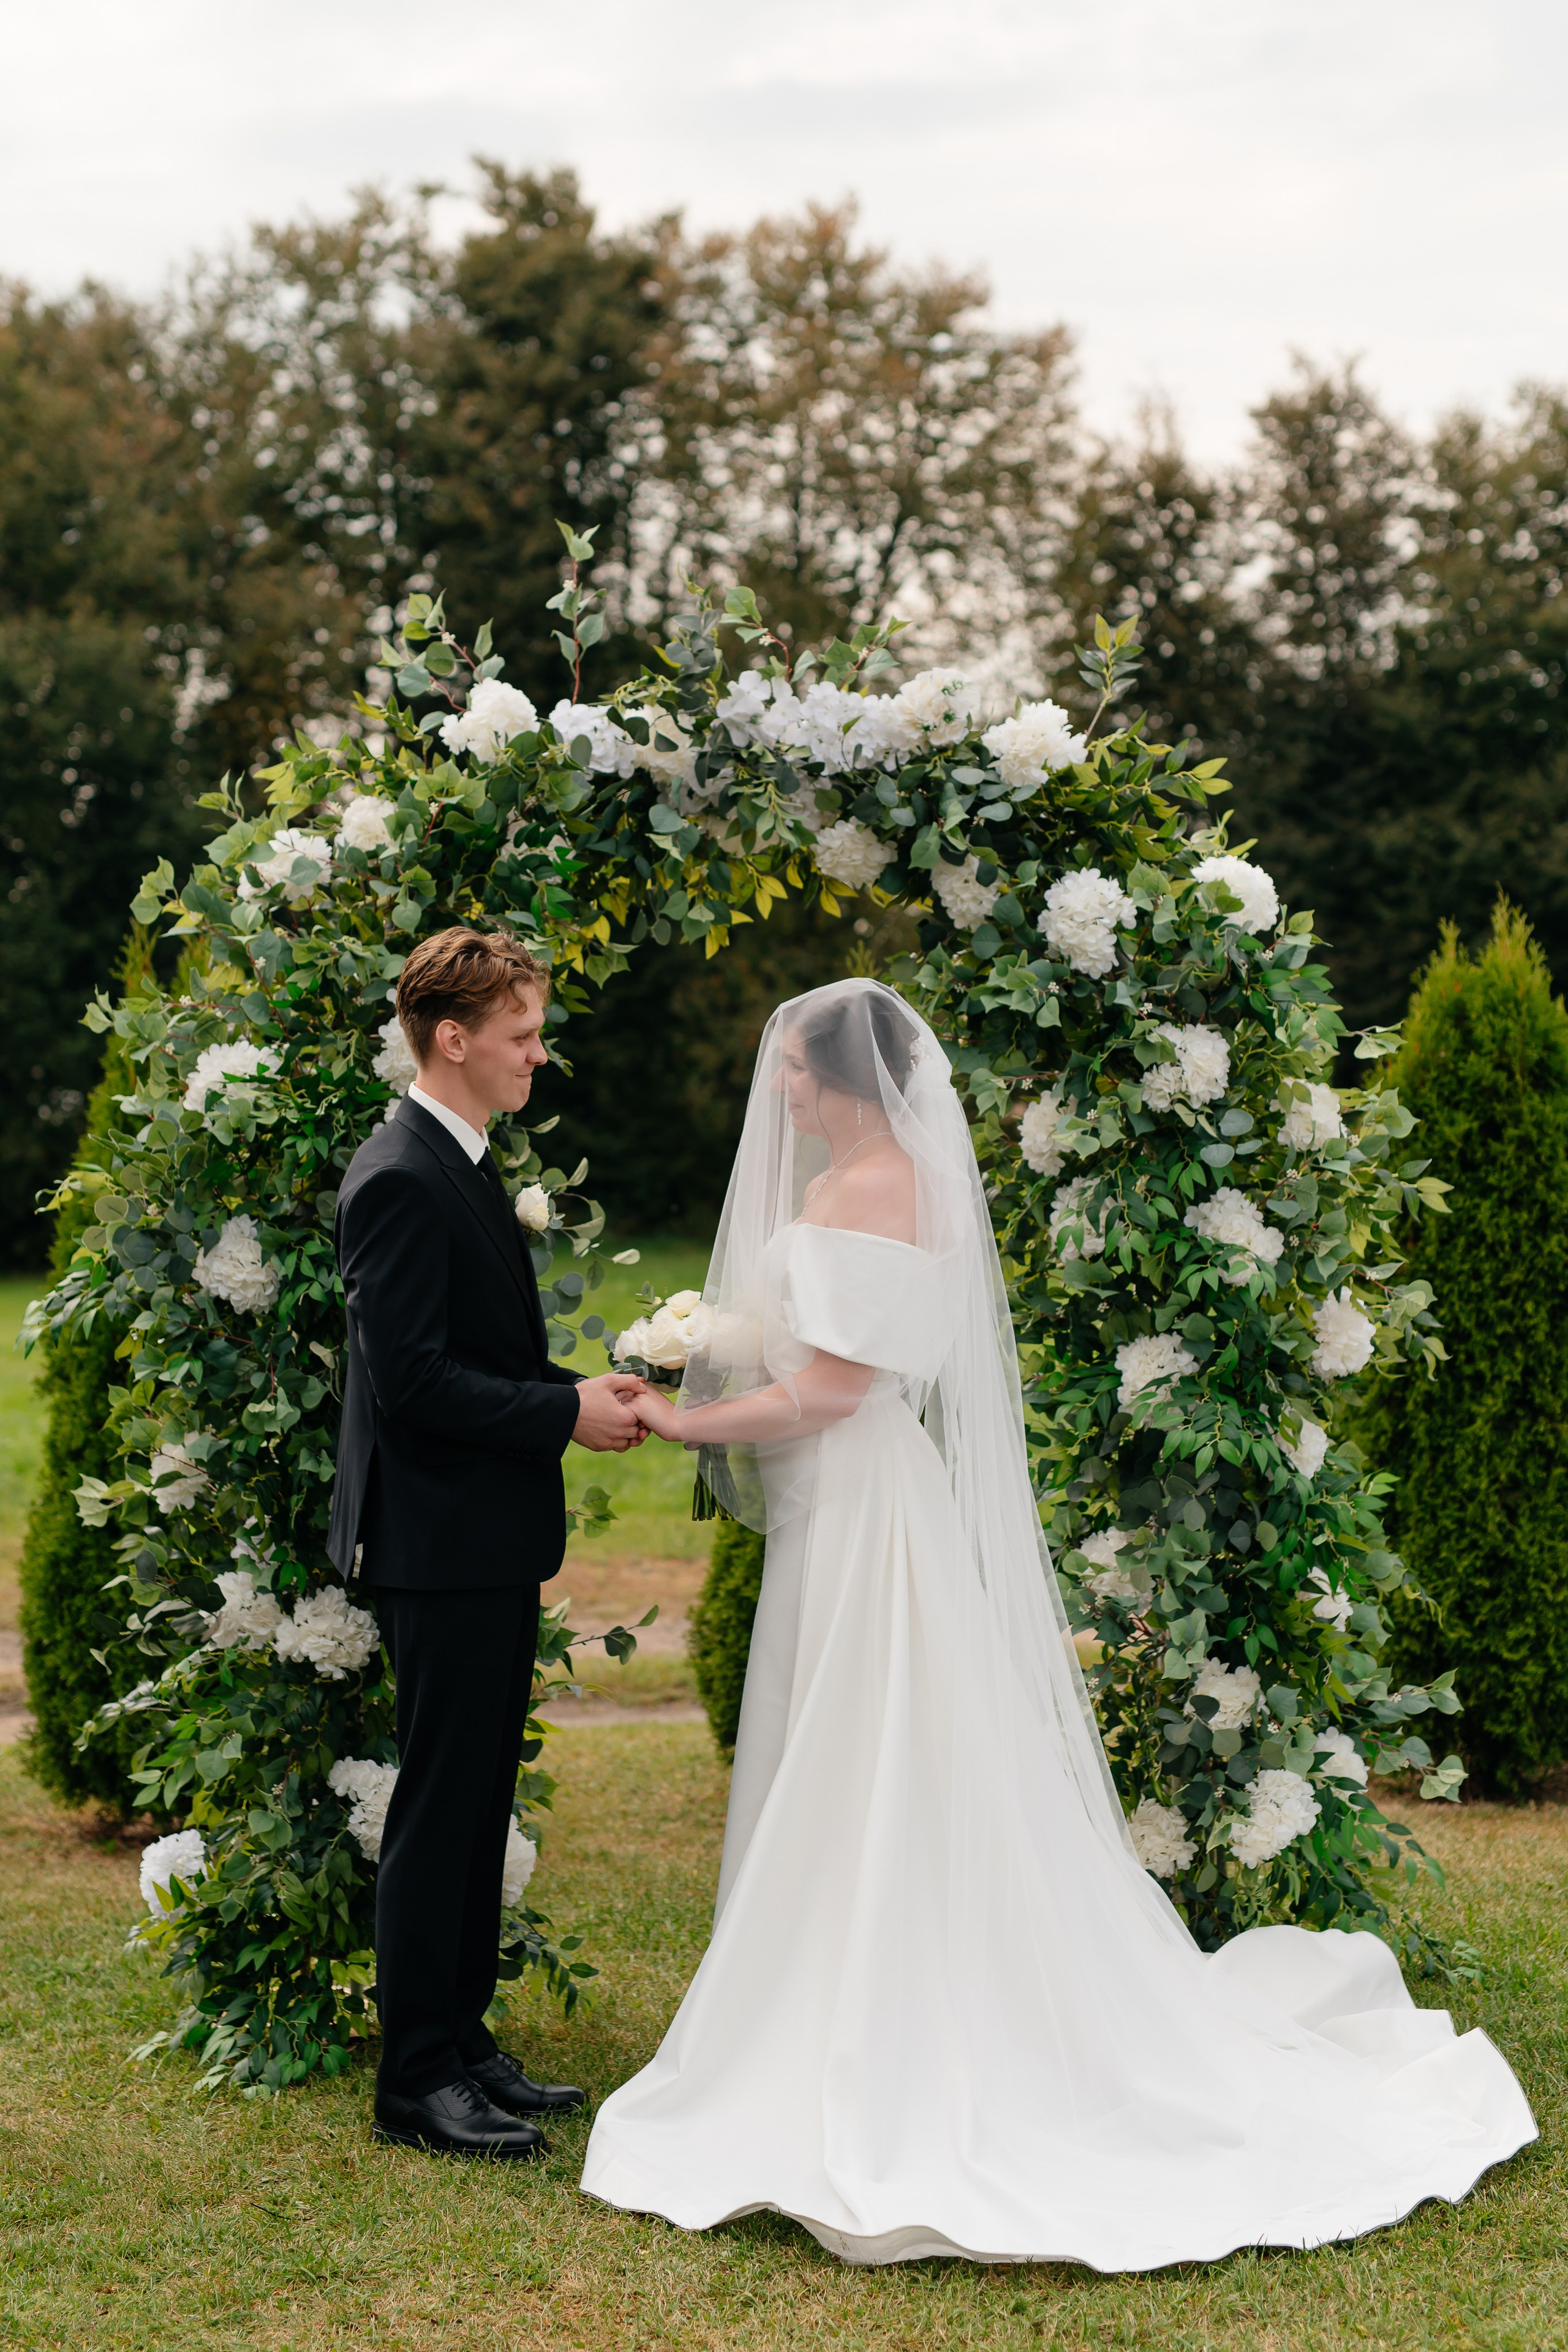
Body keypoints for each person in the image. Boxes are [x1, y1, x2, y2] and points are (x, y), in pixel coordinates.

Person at [579, 976, 1536, 2267]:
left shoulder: (872, 1189)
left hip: (866, 1509)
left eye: (796, 1076)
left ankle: (890, 2026)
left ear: (843, 1080)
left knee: (882, 1753)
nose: (782, 1096)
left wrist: (683, 1418)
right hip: (842, 1511)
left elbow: (838, 1389)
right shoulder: (847, 1182)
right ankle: (837, 2001)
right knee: (860, 1751)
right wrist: (719, 1340)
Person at [330, 926, 647, 2160]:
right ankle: (414, 2077)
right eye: (520, 1035)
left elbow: (480, 1356)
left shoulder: (455, 1158)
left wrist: (585, 1389)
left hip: (478, 1536)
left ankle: (459, 2041)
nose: (537, 1053)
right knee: (440, 1804)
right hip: (435, 1540)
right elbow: (409, 1384)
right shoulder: (401, 1174)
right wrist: (558, 1415)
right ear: (450, 1038)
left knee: (475, 1799)